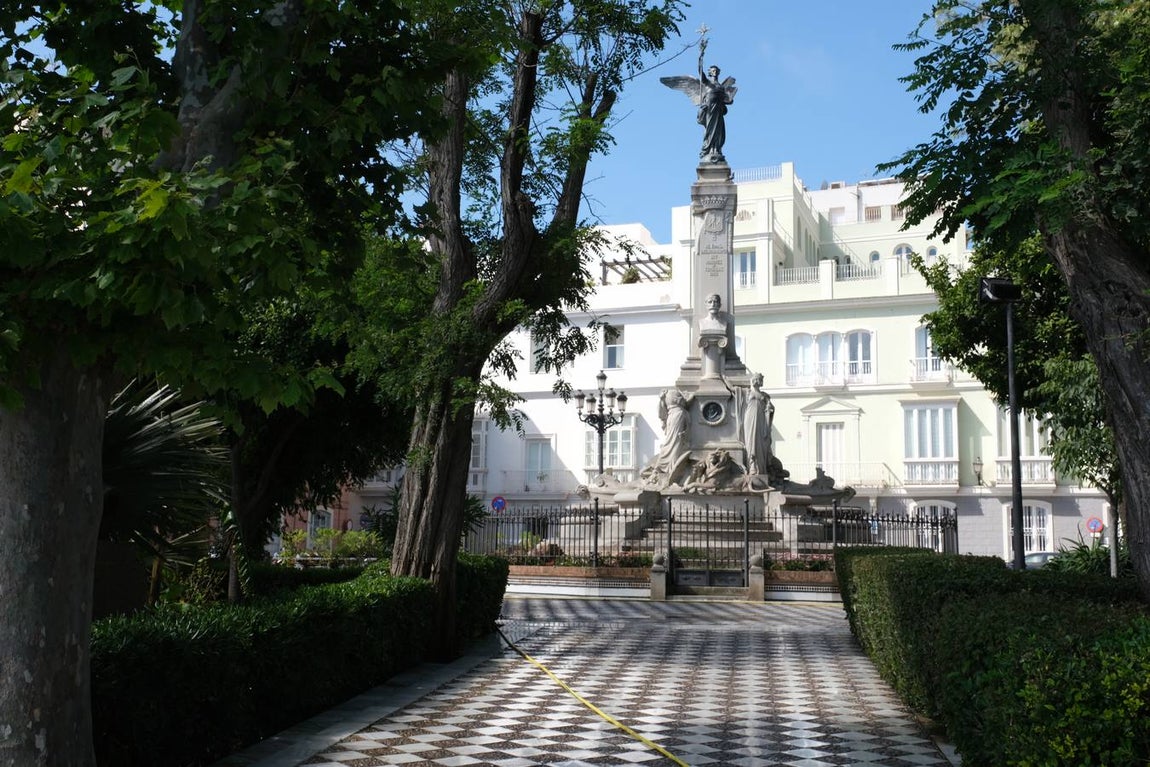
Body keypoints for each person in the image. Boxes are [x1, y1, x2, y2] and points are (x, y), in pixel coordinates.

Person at [641, 388, 694, 486]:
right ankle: (666, 469)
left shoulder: (679, 411)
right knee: (672, 443)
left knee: (673, 443)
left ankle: (667, 470)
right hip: (673, 416)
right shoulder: (679, 411)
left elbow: (662, 413)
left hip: (674, 417)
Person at [742, 373, 774, 476]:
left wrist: (769, 409)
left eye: (761, 380)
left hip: (760, 420)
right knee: (750, 442)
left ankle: (759, 467)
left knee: (760, 442)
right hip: (749, 419)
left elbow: (771, 408)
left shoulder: (764, 396)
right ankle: (751, 465)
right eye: (760, 380)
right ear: (755, 380)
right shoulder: (746, 392)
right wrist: (724, 379)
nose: (760, 382)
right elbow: (734, 391)